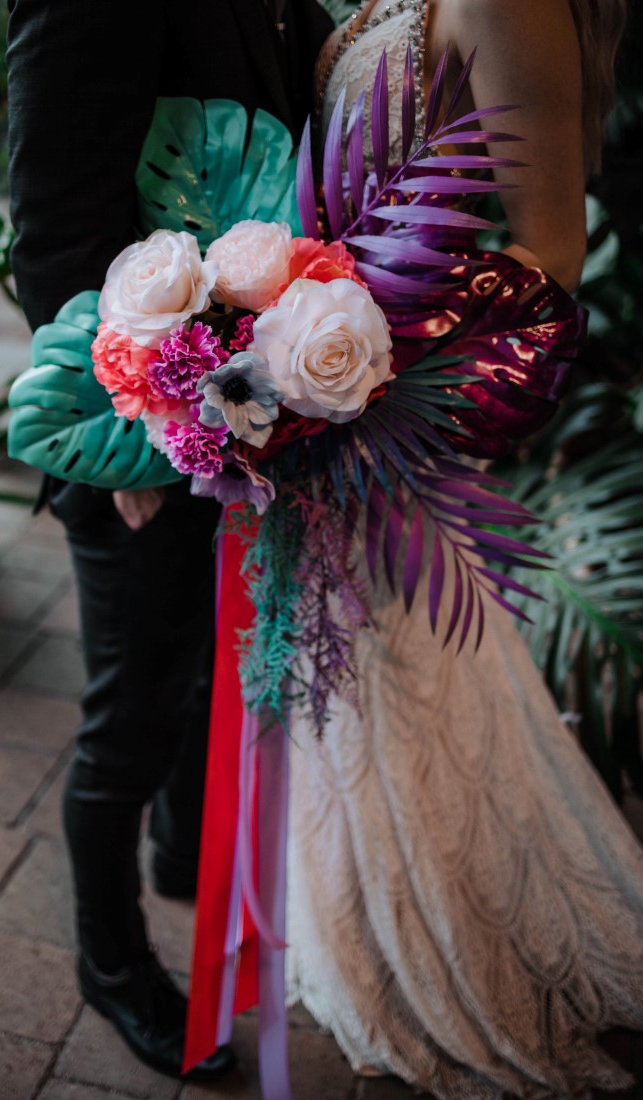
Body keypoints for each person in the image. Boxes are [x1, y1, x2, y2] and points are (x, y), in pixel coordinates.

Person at [286, 1, 643, 1097]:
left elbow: (550, 255)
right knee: (355, 694)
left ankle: (449, 933)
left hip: (387, 410)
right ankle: (361, 914)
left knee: (408, 679)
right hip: (319, 392)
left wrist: (370, 369)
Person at [5, 0, 333, 1082]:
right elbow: (54, 216)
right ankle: (110, 959)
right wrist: (127, 435)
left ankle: (180, 849)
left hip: (235, 403)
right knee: (128, 709)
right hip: (135, 422)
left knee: (198, 666)